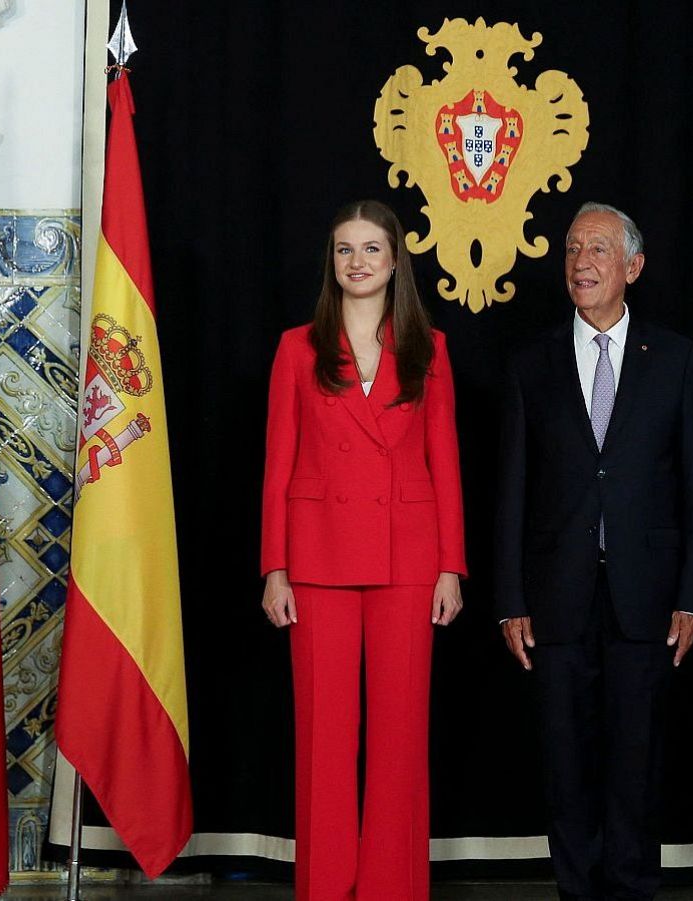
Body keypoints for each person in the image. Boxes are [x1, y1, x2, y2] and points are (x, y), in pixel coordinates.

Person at [495, 203, 693, 901]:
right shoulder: (531, 363)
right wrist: (508, 599)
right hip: (554, 597)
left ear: (633, 266)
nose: (580, 262)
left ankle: (630, 887)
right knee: (565, 763)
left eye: (597, 249)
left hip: (646, 597)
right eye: (571, 249)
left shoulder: (676, 358)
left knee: (635, 760)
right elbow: (510, 491)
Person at [260, 199, 465, 901]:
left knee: (400, 737)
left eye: (371, 248)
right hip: (316, 560)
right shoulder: (297, 347)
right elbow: (277, 463)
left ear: (395, 260)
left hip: (409, 560)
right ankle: (324, 889)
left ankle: (392, 888)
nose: (357, 262)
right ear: (332, 261)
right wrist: (274, 567)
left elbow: (445, 462)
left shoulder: (429, 347)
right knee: (323, 738)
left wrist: (452, 566)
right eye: (345, 249)